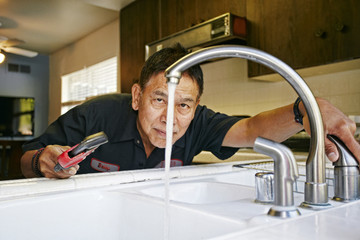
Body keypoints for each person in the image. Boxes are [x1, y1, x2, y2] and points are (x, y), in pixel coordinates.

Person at [20, 44, 360, 179]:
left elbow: (251, 127)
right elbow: (21, 159)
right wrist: (41, 161)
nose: (171, 117)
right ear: (137, 96)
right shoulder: (95, 115)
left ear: (195, 107)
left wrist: (304, 111)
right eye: (159, 100)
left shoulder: (198, 123)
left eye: (184, 104)